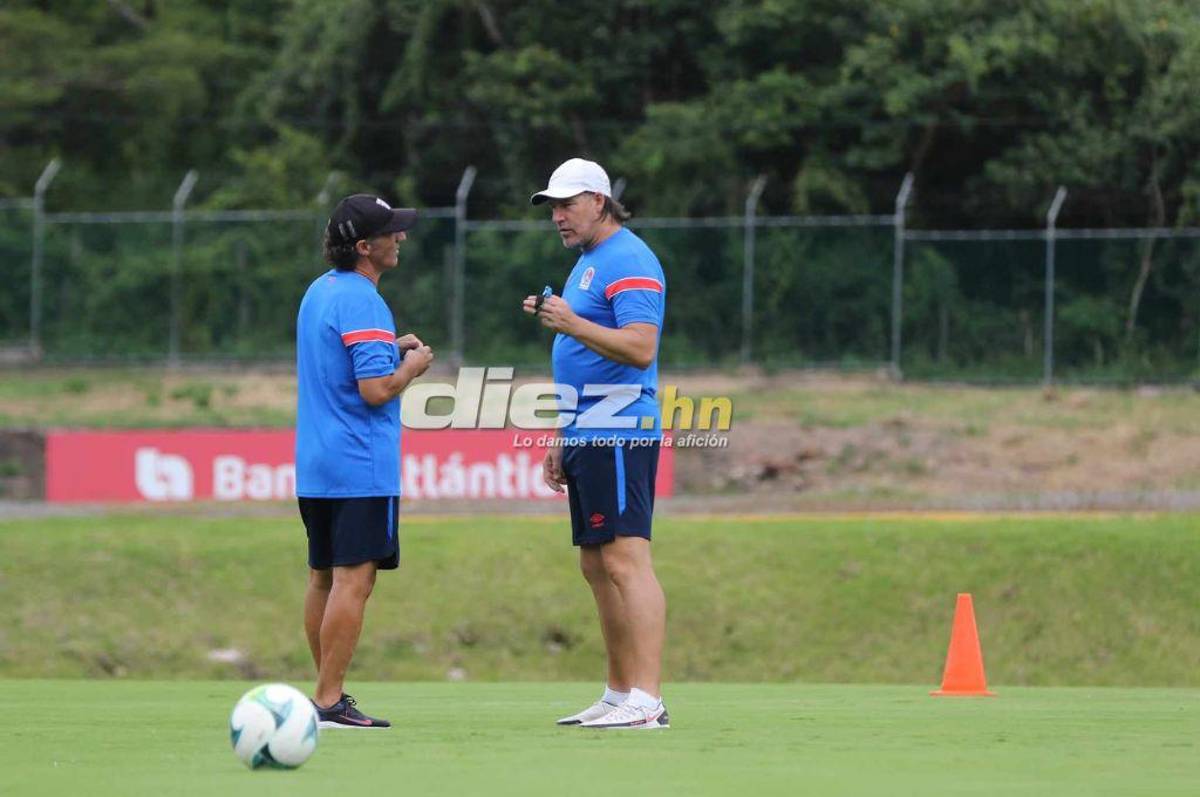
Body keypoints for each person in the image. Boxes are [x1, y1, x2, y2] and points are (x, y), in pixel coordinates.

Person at [522, 158, 670, 730]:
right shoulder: (588, 263)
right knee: (595, 563)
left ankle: (647, 699)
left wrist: (570, 322)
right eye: (552, 207)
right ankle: (618, 691)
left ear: (600, 203)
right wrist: (563, 431)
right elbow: (583, 354)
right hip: (586, 431)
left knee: (627, 560)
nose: (557, 216)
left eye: (566, 204)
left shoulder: (629, 258)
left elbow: (639, 348)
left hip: (618, 429)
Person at [295, 193, 433, 729]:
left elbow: (337, 357)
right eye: (391, 232)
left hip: (316, 463)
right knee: (355, 581)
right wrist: (414, 365)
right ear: (364, 247)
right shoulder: (365, 300)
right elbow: (376, 389)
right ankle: (329, 700)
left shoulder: (318, 291)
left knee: (321, 579)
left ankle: (326, 690)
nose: (400, 237)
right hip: (360, 463)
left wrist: (387, 345)